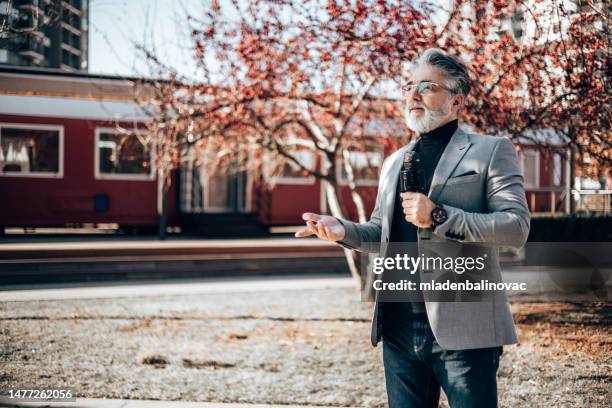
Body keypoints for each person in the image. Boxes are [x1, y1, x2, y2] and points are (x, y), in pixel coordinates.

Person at [294, 48, 530, 407]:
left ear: (456, 101)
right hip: (399, 330)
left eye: (427, 86)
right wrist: (342, 230)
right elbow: (381, 233)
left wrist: (439, 216)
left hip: (464, 332)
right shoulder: (394, 161)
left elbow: (515, 228)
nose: (413, 94)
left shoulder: (491, 150)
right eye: (408, 86)